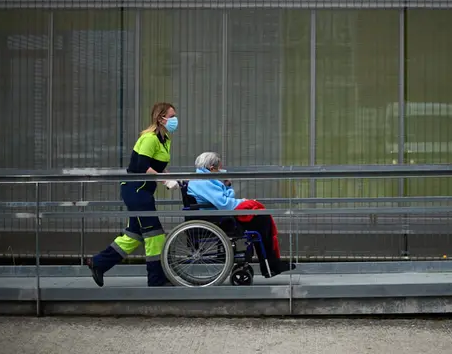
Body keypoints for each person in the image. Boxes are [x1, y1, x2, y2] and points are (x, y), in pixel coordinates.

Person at [86, 102, 180, 287]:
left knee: (134, 234)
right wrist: (164, 180)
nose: (175, 119)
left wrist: (174, 178)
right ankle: (156, 279)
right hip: (135, 189)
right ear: (161, 118)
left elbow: (158, 166)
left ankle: (98, 263)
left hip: (143, 190)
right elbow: (144, 167)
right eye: (172, 116)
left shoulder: (165, 139)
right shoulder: (149, 138)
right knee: (154, 235)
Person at [185, 151, 296, 278]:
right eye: (220, 167)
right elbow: (225, 204)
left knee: (262, 218)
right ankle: (270, 265)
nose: (222, 170)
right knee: (262, 220)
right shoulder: (203, 182)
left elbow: (222, 200)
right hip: (217, 219)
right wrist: (242, 201)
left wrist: (227, 186)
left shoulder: (205, 180)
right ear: (212, 168)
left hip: (216, 215)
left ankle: (271, 264)